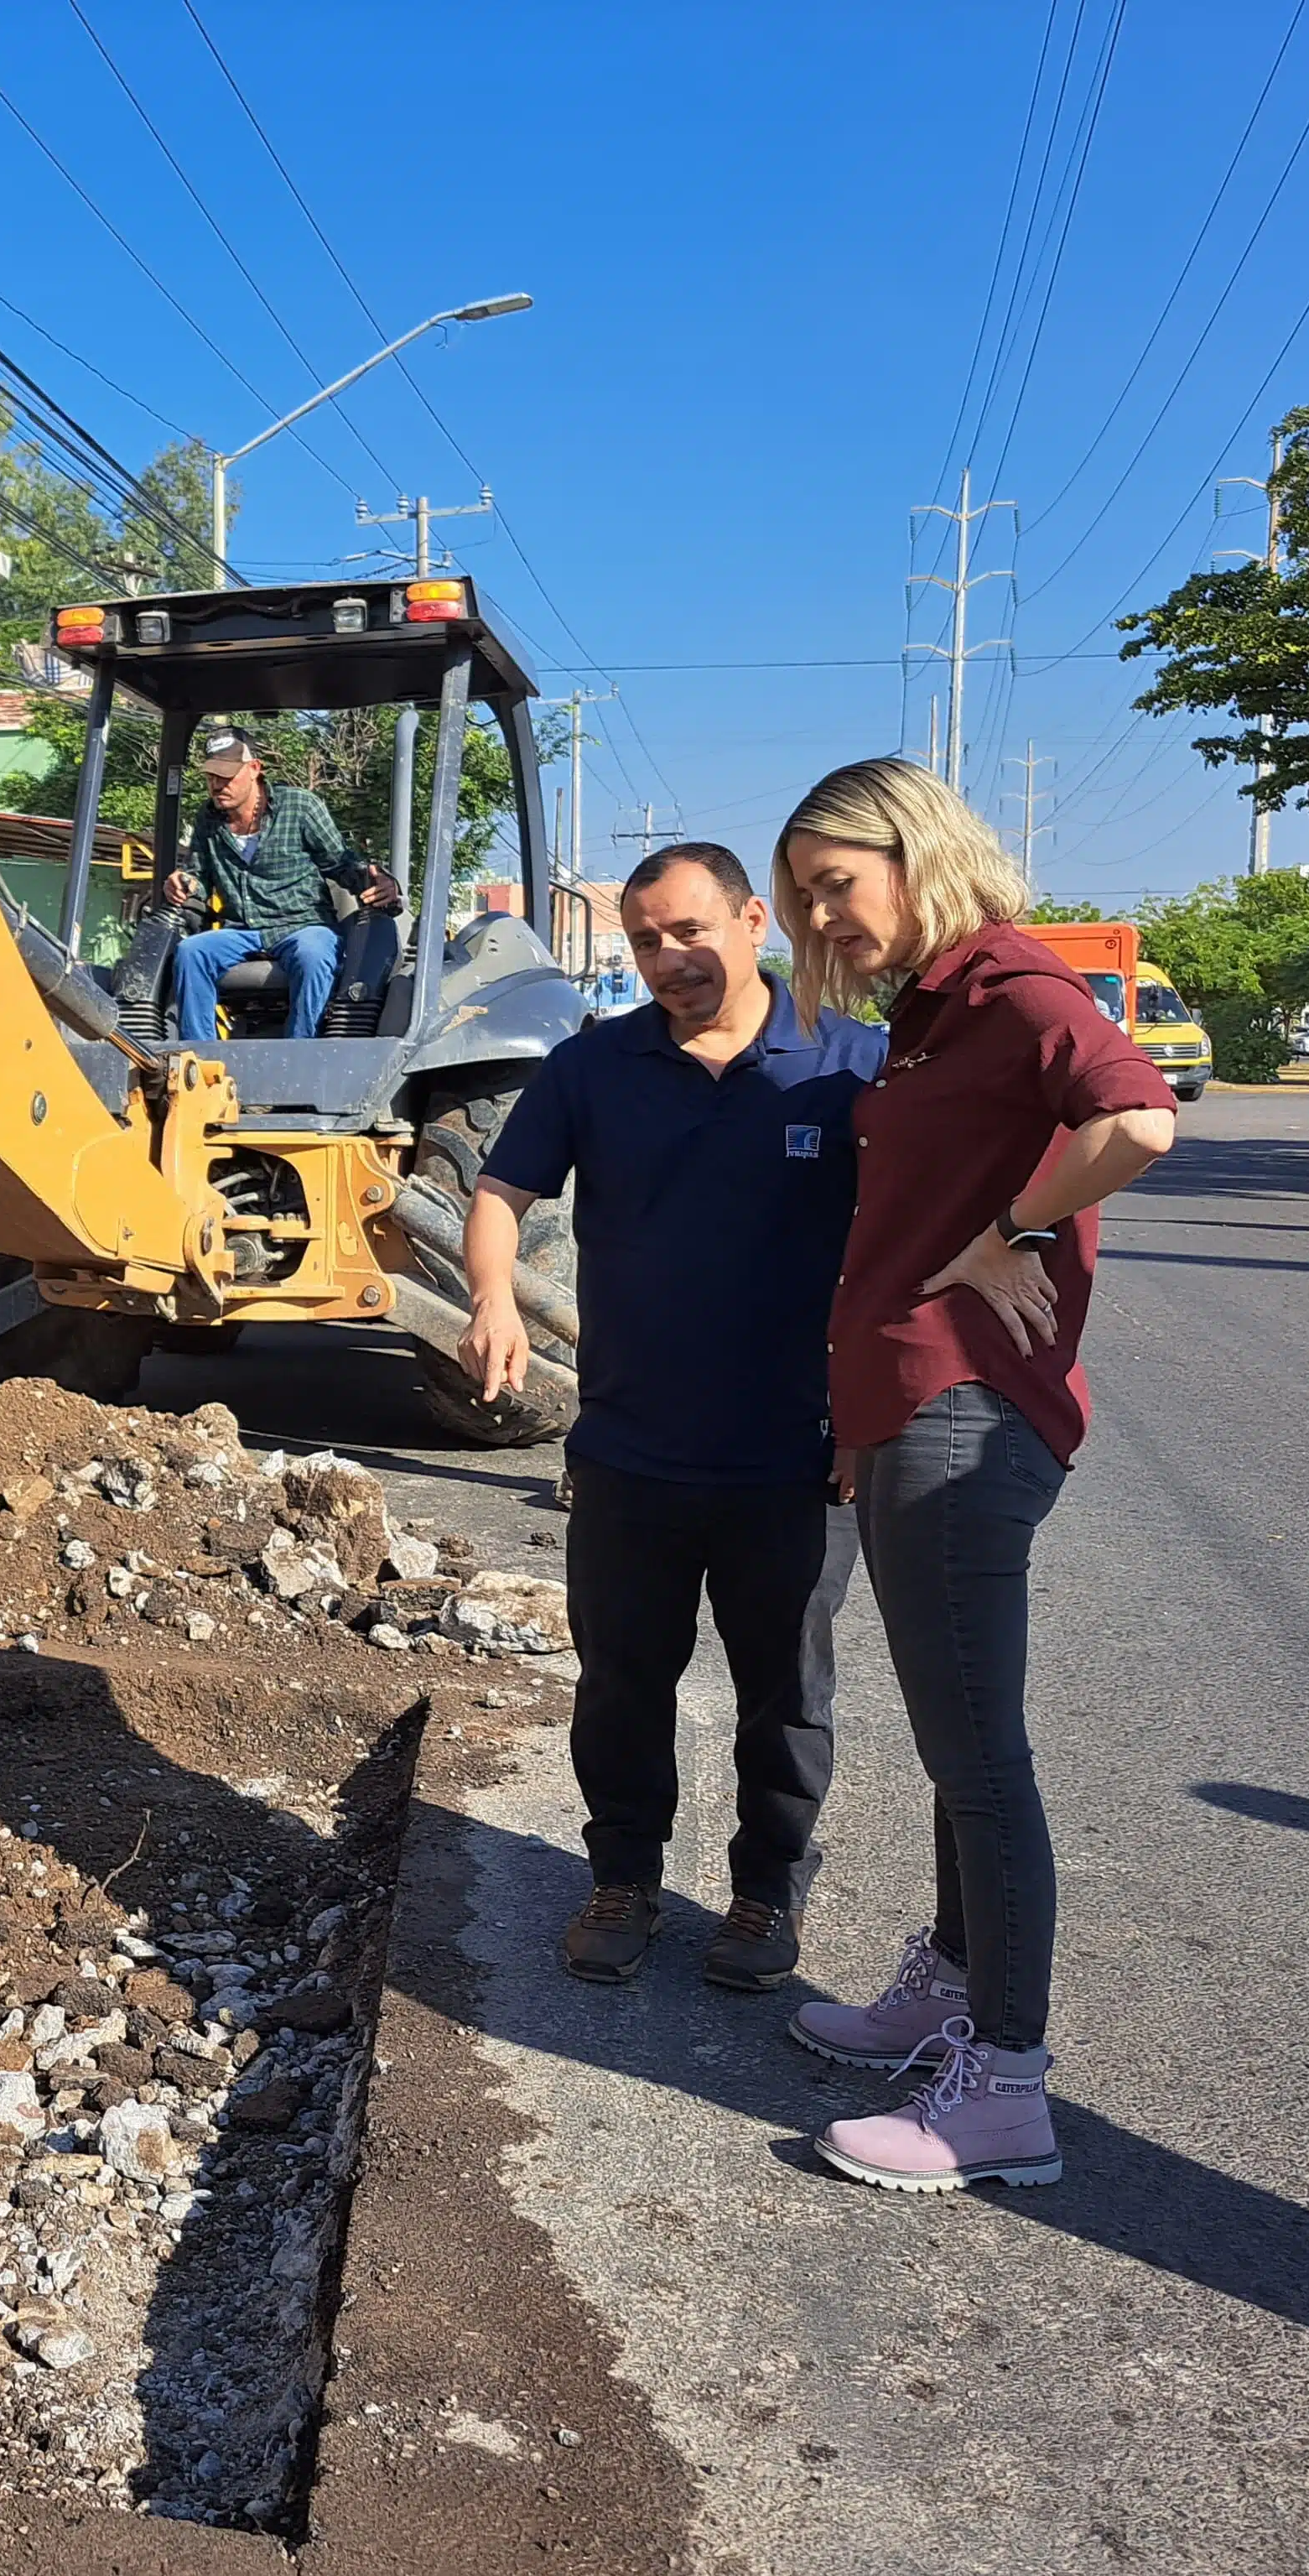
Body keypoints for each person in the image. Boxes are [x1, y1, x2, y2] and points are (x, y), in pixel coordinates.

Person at [771, 757, 1175, 2194]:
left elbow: (1139, 1119)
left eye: (838, 884)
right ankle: (948, 1986)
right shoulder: (933, 1020)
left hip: (963, 1414)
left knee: (981, 1761)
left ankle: (1004, 2086)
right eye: (804, 897)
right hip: (898, 1415)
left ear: (916, 853)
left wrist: (1015, 1224)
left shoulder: (1015, 991)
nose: (822, 917)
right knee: (956, 1741)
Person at [455, 842, 880, 1991]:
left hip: (795, 1457)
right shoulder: (595, 1066)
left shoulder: (851, 1069)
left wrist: (876, 1407)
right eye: (645, 941)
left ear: (753, 922)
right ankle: (625, 1876)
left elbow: (907, 1247)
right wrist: (495, 1298)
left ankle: (763, 1896)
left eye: (689, 931)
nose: (668, 959)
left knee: (786, 1693)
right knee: (622, 1683)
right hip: (631, 1450)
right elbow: (500, 1192)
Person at [165, 724, 399, 1039]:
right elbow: (199, 876)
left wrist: (377, 883)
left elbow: (342, 863)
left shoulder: (300, 807)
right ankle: (200, 1059)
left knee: (314, 955)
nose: (217, 785)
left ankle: (300, 1054)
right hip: (243, 931)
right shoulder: (207, 820)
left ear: (254, 769)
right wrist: (185, 884)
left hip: (302, 925)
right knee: (192, 952)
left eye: (226, 776)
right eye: (211, 777)